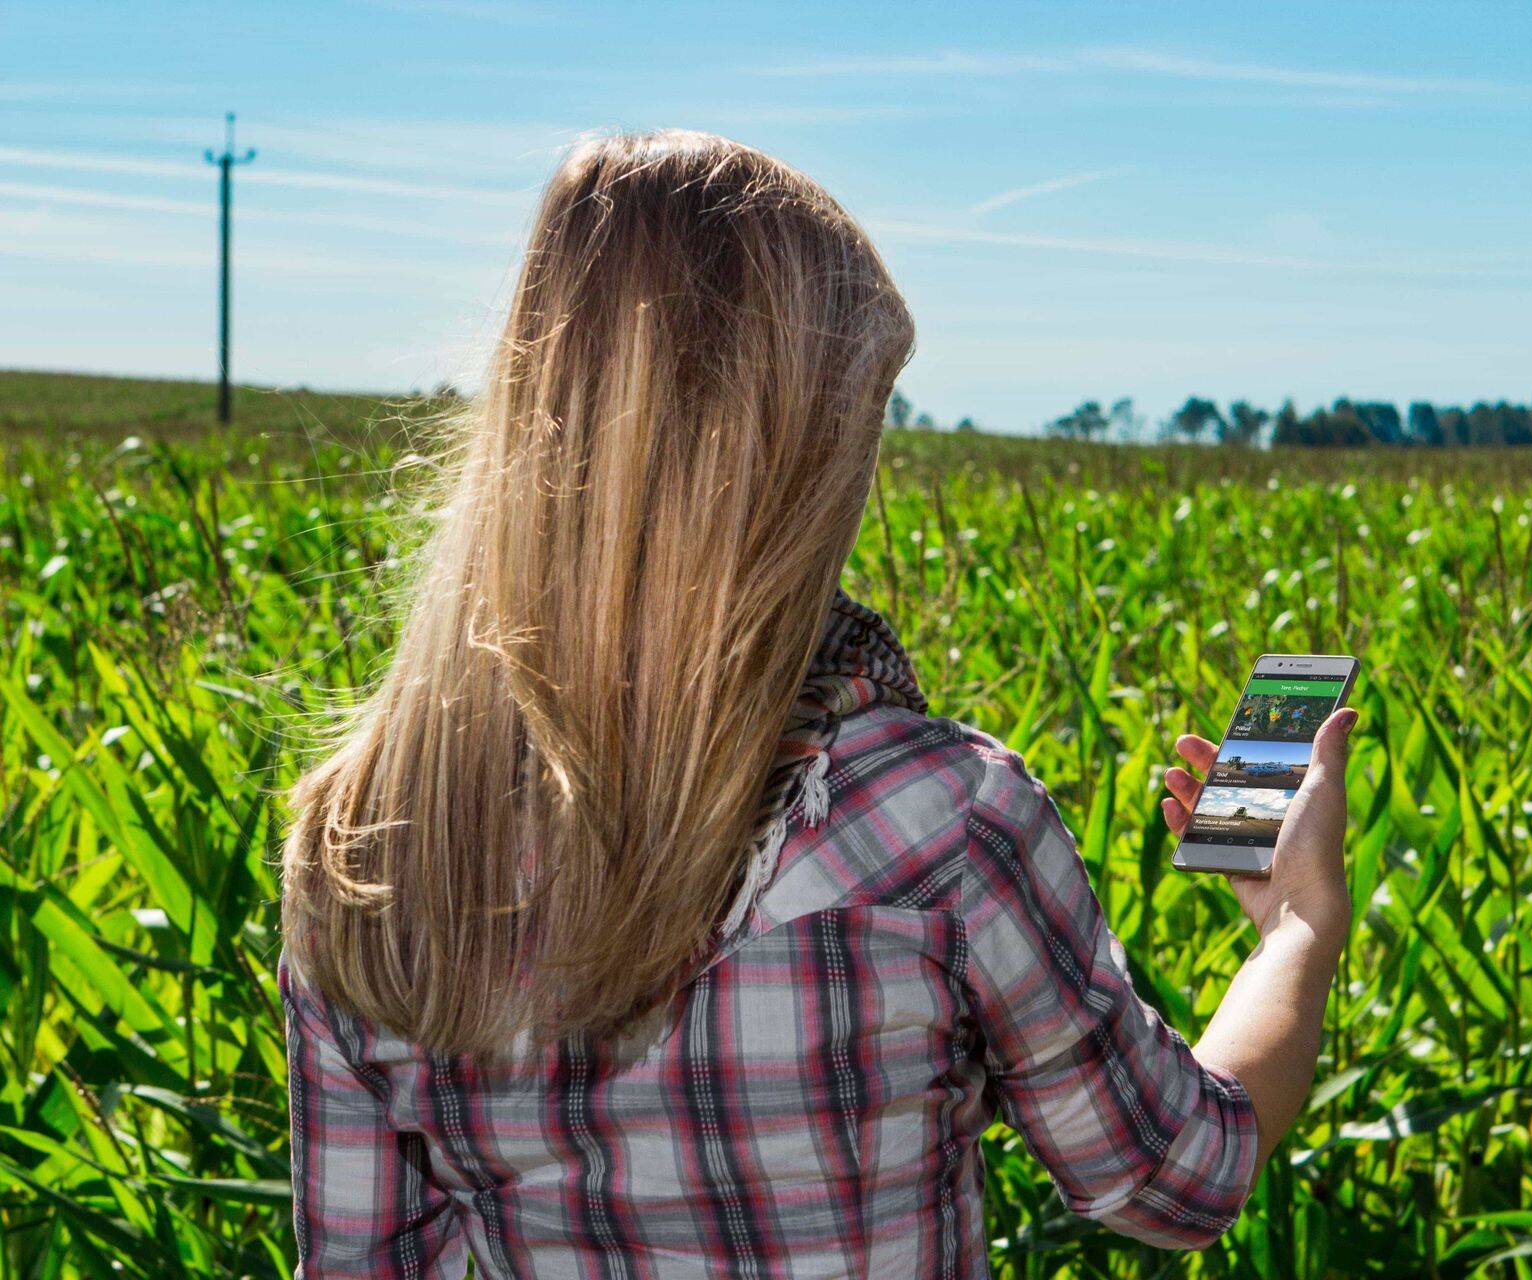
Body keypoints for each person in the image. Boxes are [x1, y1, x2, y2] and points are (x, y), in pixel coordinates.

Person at [278, 129, 1354, 1279]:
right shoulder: (944, 824)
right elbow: (1181, 1174)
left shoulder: (366, 843)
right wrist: (1298, 924)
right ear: (798, 457)